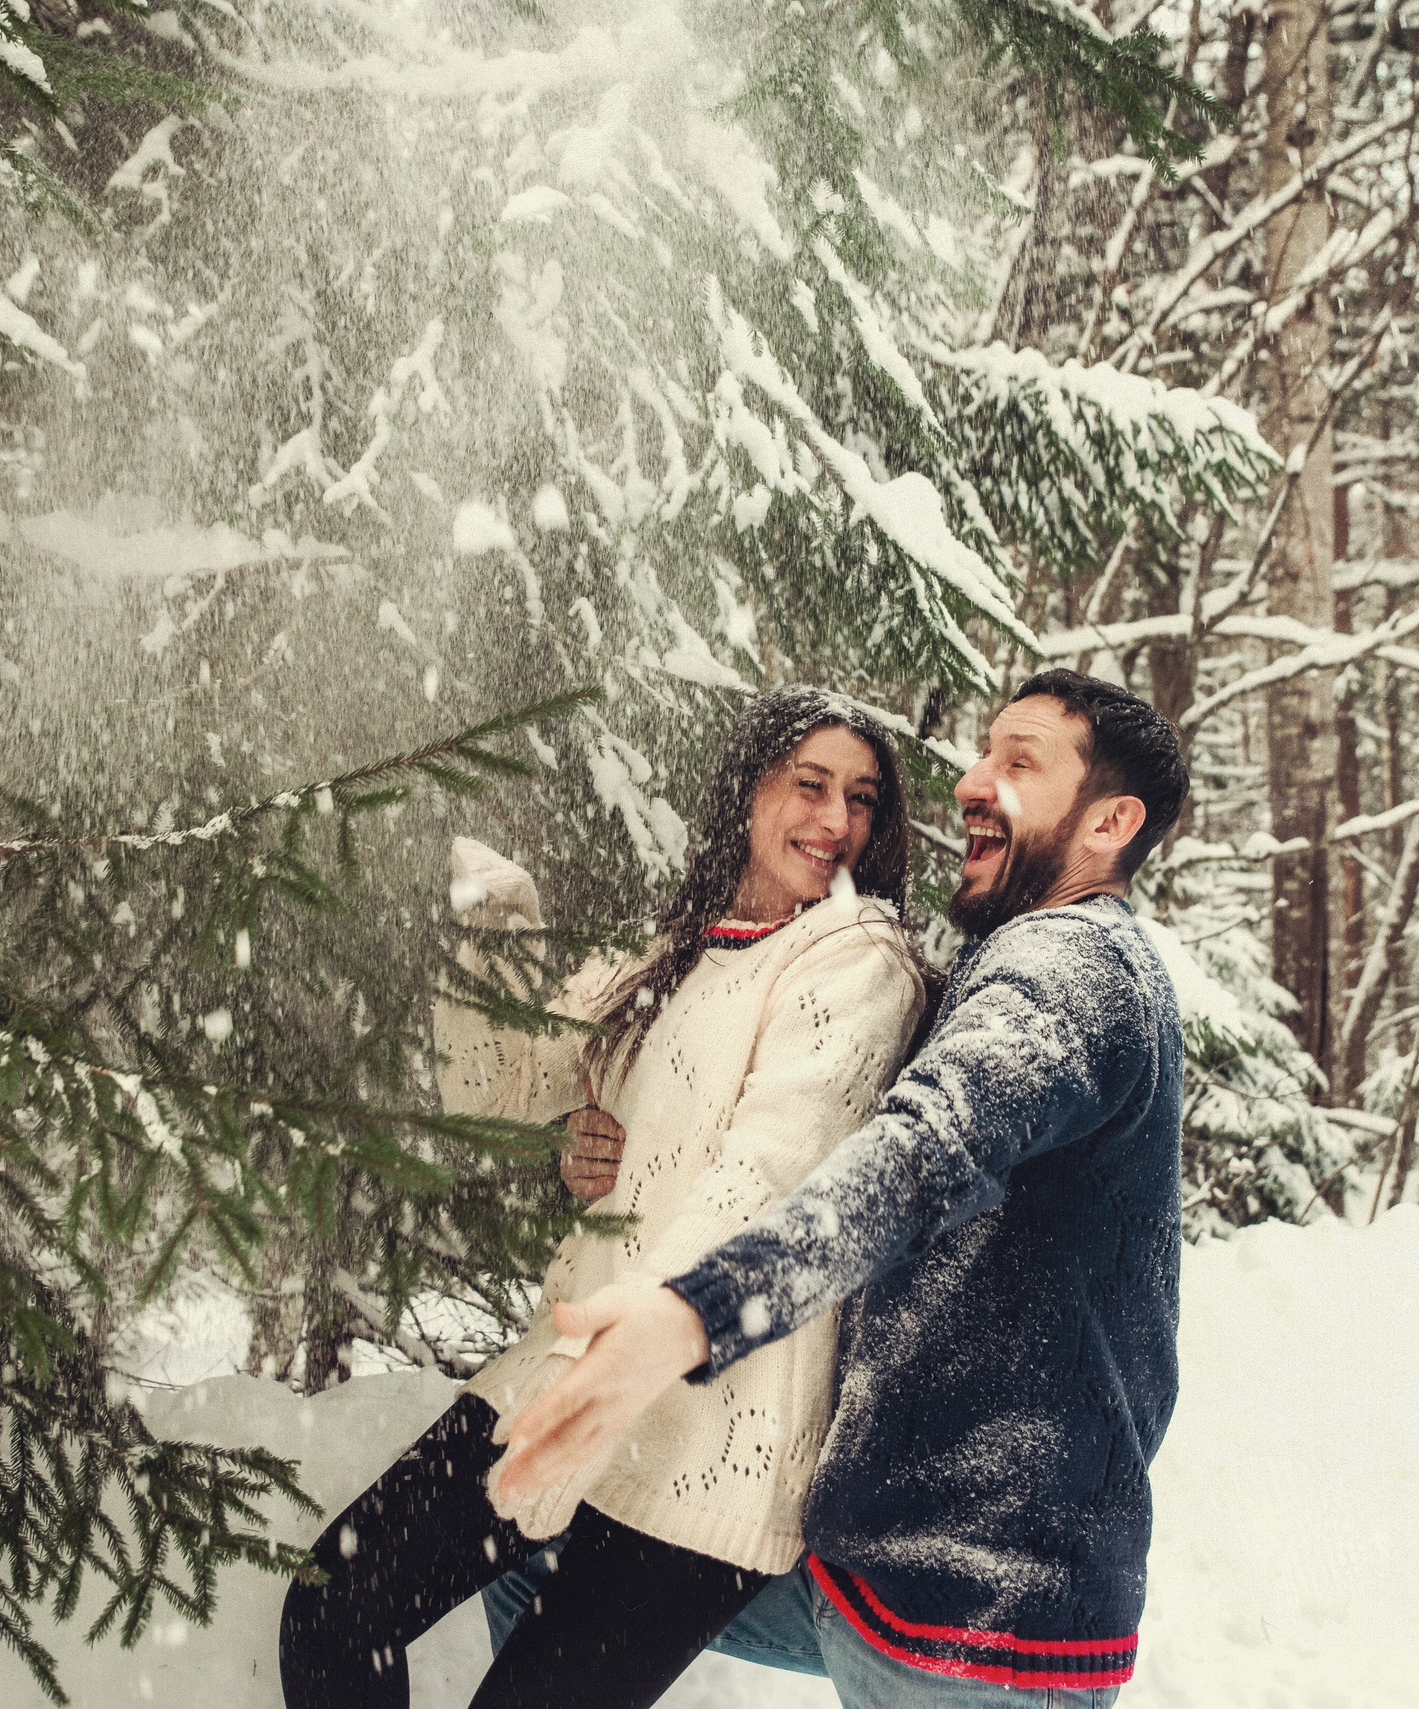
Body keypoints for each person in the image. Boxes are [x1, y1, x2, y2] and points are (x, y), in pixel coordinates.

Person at [494, 668, 1189, 1709]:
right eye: (982, 749)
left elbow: (917, 1156)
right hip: (869, 1570)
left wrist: (696, 1311)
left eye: (1019, 760)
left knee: (538, 1563)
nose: (970, 779)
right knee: (528, 1560)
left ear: (1110, 823)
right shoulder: (1011, 964)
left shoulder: (1073, 968)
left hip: (985, 1631)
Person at [279, 686, 931, 1709]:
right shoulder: (673, 949)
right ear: (747, 789)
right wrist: (489, 910)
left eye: (859, 798)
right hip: (564, 1370)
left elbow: (766, 1168)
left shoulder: (856, 960)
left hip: (712, 1425)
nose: (835, 820)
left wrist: (649, 1308)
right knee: (334, 1604)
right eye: (809, 785)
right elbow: (498, 1082)